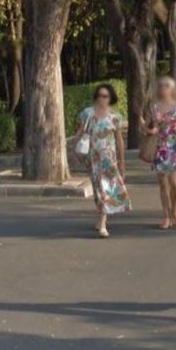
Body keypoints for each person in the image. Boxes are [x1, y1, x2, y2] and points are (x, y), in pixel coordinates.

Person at [72, 84, 130, 238]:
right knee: (97, 191)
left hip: (109, 159)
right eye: (99, 95)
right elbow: (80, 132)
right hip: (92, 159)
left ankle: (103, 223)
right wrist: (74, 152)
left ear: (111, 98)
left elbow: (119, 141)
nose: (101, 99)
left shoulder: (115, 117)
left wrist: (122, 163)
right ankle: (100, 216)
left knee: (105, 189)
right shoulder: (88, 114)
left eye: (105, 96)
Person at [141, 76, 176, 229]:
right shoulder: (154, 108)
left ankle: (174, 211)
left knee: (175, 184)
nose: (164, 88)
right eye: (161, 85)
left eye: (167, 85)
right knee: (163, 184)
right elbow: (149, 128)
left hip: (175, 147)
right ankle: (166, 216)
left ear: (172, 89)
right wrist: (145, 126)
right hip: (159, 147)